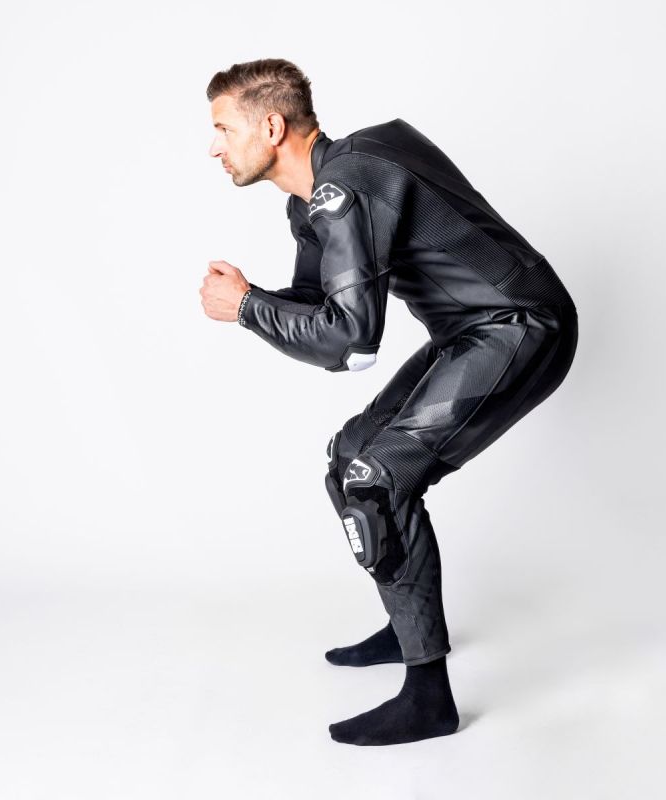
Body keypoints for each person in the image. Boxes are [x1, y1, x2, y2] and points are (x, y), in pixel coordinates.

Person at [200, 58, 579, 747]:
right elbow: (317, 306)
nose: (214, 147)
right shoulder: (315, 198)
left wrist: (247, 307)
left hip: (523, 327)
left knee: (375, 479)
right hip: (473, 331)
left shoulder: (345, 185)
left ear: (272, 127)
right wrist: (253, 299)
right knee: (349, 455)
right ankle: (409, 624)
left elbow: (351, 344)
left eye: (224, 129)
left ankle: (429, 699)